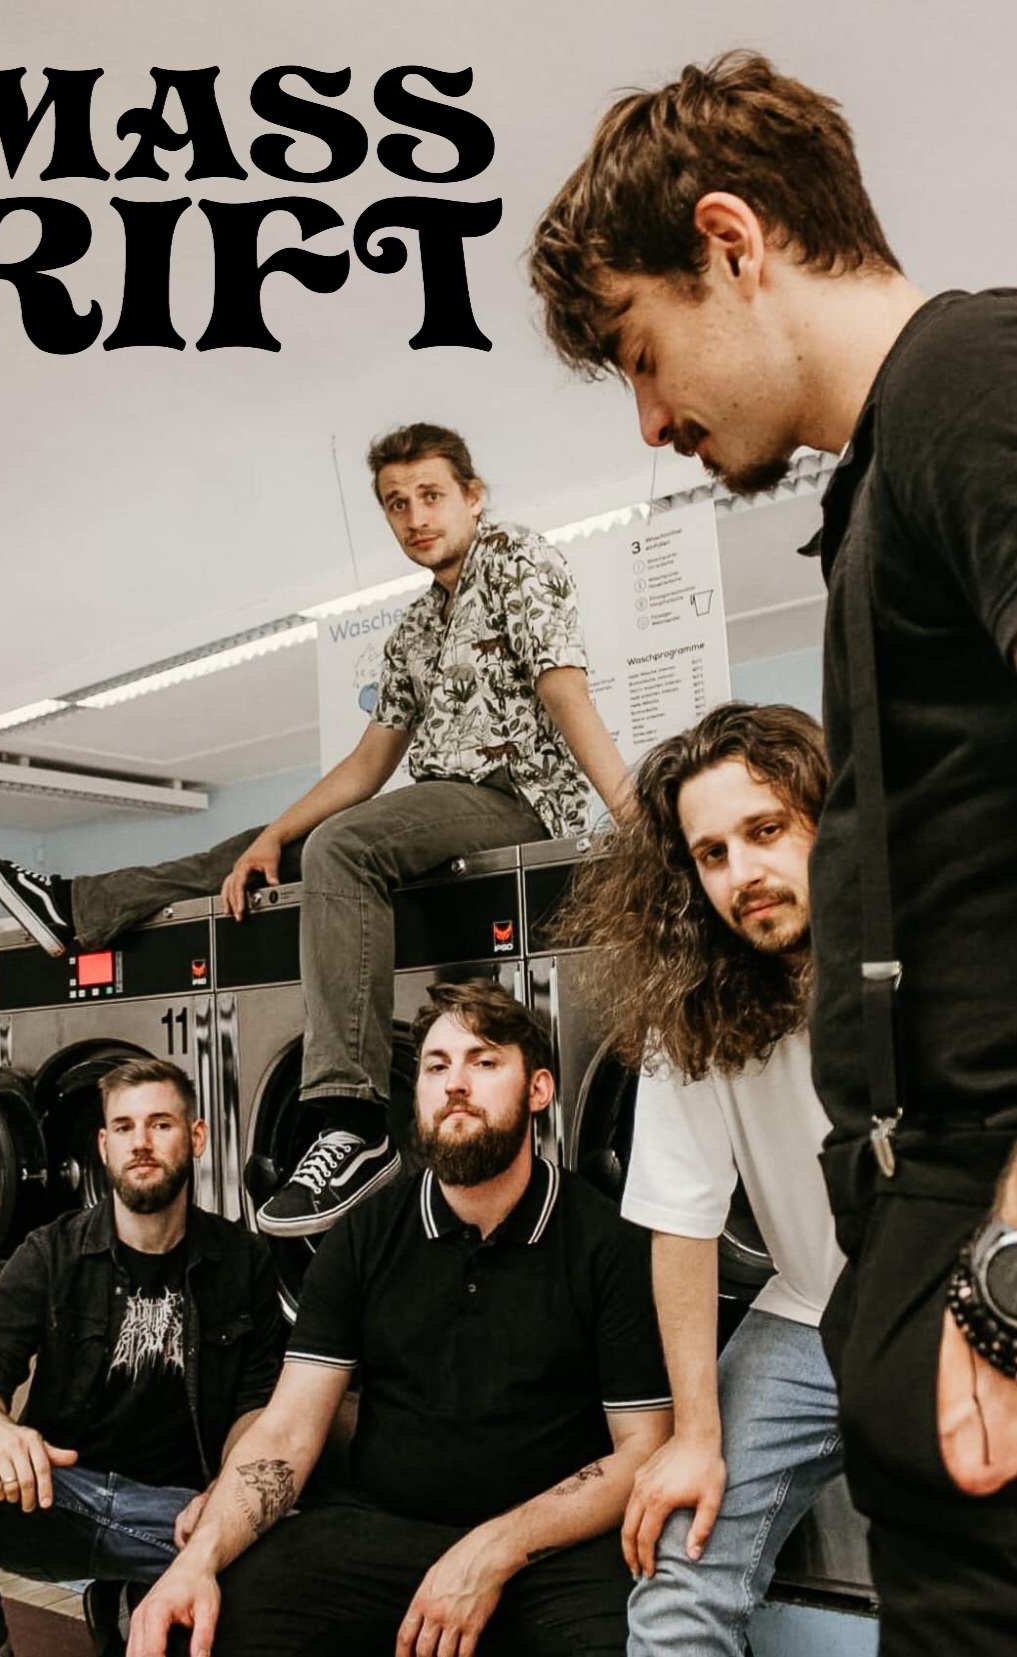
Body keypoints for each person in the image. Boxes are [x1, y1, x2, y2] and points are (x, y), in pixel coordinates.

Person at [528, 48, 1017, 1653]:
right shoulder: (876, 489)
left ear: (732, 242)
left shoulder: (973, 385)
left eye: (642, 355)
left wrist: (1006, 1252)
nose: (655, 418)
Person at [0, 422, 632, 1241]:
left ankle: (349, 1122)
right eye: (396, 503)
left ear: (472, 494)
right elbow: (366, 764)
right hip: (435, 805)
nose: (414, 516)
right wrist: (271, 835)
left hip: (515, 802)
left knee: (341, 845)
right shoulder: (418, 629)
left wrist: (637, 821)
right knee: (272, 845)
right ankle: (78, 906)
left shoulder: (518, 560)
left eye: (430, 494)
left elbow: (562, 690)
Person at [125, 979, 672, 1657]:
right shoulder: (366, 1234)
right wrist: (198, 1559)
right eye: (437, 1066)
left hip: (550, 1548)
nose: (455, 1084)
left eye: (483, 1060)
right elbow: (290, 1427)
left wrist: (495, 1547)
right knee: (212, 1623)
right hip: (384, 1533)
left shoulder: (603, 1240)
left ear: (538, 1090)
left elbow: (643, 1449)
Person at [556, 701, 845, 1655]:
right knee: (681, 1554)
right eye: (710, 853)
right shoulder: (696, 1004)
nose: (741, 874)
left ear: (831, 820)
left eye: (764, 831)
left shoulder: (924, 958)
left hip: (962, 1306)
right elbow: (678, 1222)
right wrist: (694, 1434)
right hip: (809, 1313)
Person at [0, 1058, 285, 1657]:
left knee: (287, 1537)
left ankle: (128, 1597)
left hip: (177, 1513)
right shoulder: (49, 1253)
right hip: (55, 1498)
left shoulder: (243, 1260)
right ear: (103, 1145)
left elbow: (257, 1407)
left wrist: (226, 1496)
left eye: (160, 1124)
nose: (140, 1142)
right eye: (124, 1127)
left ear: (196, 1137)